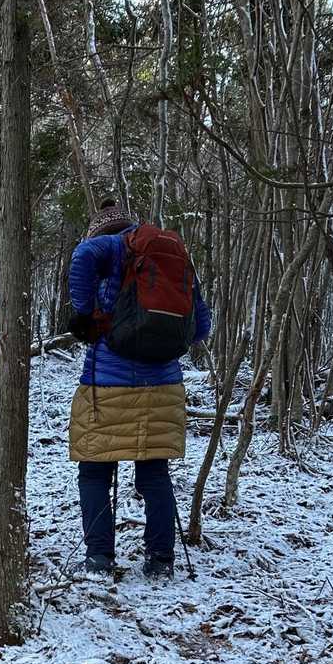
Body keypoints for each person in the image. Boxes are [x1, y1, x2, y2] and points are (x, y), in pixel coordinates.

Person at [67, 200, 212, 579]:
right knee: (154, 474)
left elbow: (82, 256)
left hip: (107, 386)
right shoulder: (172, 259)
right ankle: (161, 560)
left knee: (95, 472)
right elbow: (201, 327)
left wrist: (84, 313)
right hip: (164, 386)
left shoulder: (113, 246)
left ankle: (99, 558)